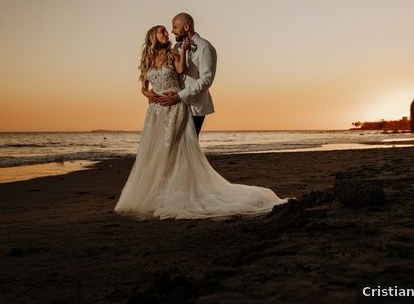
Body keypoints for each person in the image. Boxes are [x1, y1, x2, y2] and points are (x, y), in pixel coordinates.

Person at [114, 25, 288, 219]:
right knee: (154, 151)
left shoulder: (174, 53)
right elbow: (144, 86)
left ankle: (174, 192)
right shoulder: (147, 59)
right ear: (153, 37)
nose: (167, 33)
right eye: (162, 31)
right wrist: (148, 93)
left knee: (172, 149)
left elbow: (181, 69)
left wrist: (185, 50)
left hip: (175, 106)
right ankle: (156, 192)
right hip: (155, 111)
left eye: (168, 30)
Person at [155, 13, 215, 137]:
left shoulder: (205, 47)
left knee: (188, 147)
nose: (171, 31)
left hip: (194, 107)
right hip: (175, 106)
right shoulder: (176, 47)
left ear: (186, 27)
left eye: (175, 27)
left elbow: (206, 80)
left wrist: (180, 96)